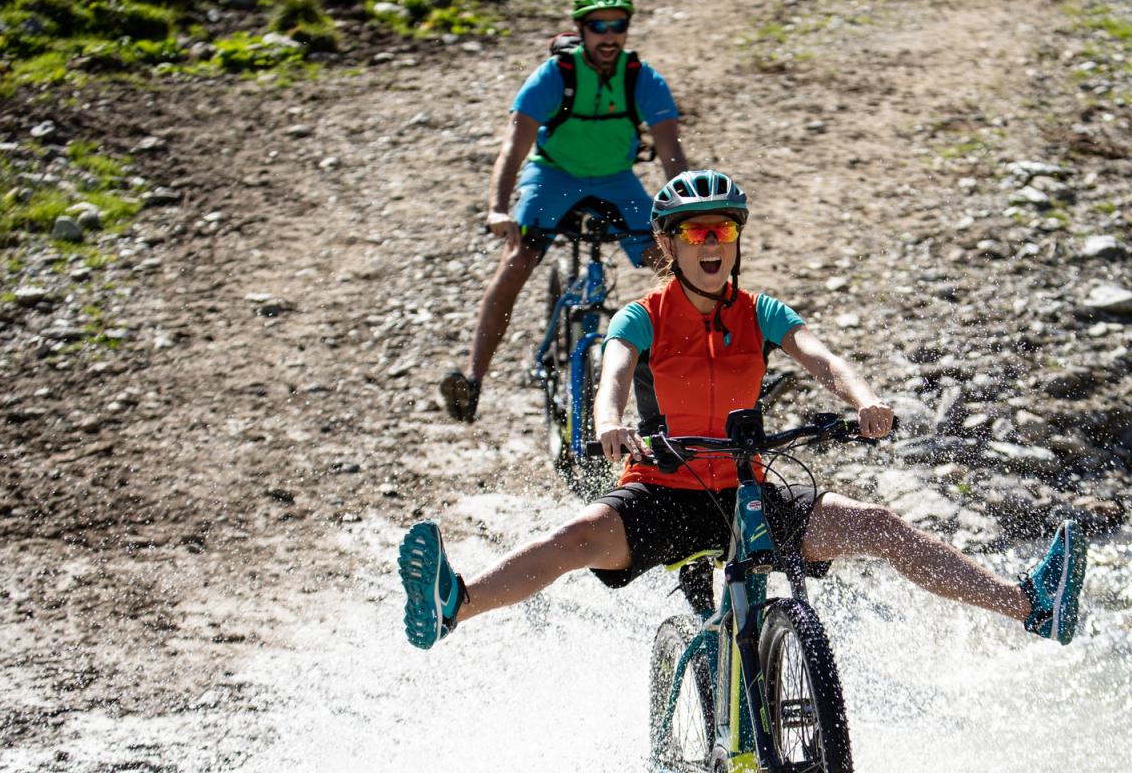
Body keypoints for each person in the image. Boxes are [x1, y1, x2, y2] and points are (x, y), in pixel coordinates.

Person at [402, 171, 1089, 650]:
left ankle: (1032, 605)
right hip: (663, 490)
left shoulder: (759, 312)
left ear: (737, 241)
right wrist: (609, 421)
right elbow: (613, 372)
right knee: (575, 540)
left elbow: (822, 357)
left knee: (877, 525)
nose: (711, 245)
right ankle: (453, 605)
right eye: (695, 233)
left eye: (723, 231)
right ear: (668, 245)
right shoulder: (643, 315)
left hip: (749, 490)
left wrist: (864, 400)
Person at [439, 0, 690, 425]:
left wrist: (687, 208)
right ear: (581, 29)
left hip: (616, 180)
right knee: (517, 259)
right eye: (598, 26)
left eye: (618, 25)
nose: (608, 35)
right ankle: (473, 379)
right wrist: (498, 207)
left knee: (677, 260)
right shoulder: (555, 75)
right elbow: (513, 148)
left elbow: (671, 152)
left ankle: (719, 362)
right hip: (552, 175)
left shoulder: (642, 79)